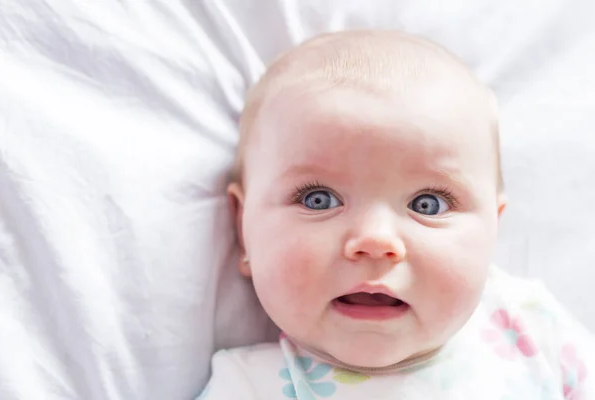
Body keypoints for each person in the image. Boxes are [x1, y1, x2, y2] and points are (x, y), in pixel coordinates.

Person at [198, 30, 594, 399]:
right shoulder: (248, 385)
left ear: (494, 226)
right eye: (318, 199)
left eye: (428, 205)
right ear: (243, 228)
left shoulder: (533, 328)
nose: (375, 241)